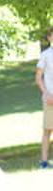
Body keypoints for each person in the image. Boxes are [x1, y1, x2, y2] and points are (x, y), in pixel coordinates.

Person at [38, 26, 53, 169]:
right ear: (49, 38)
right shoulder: (46, 55)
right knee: (48, 130)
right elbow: (38, 78)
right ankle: (43, 161)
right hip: (50, 99)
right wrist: (46, 93)